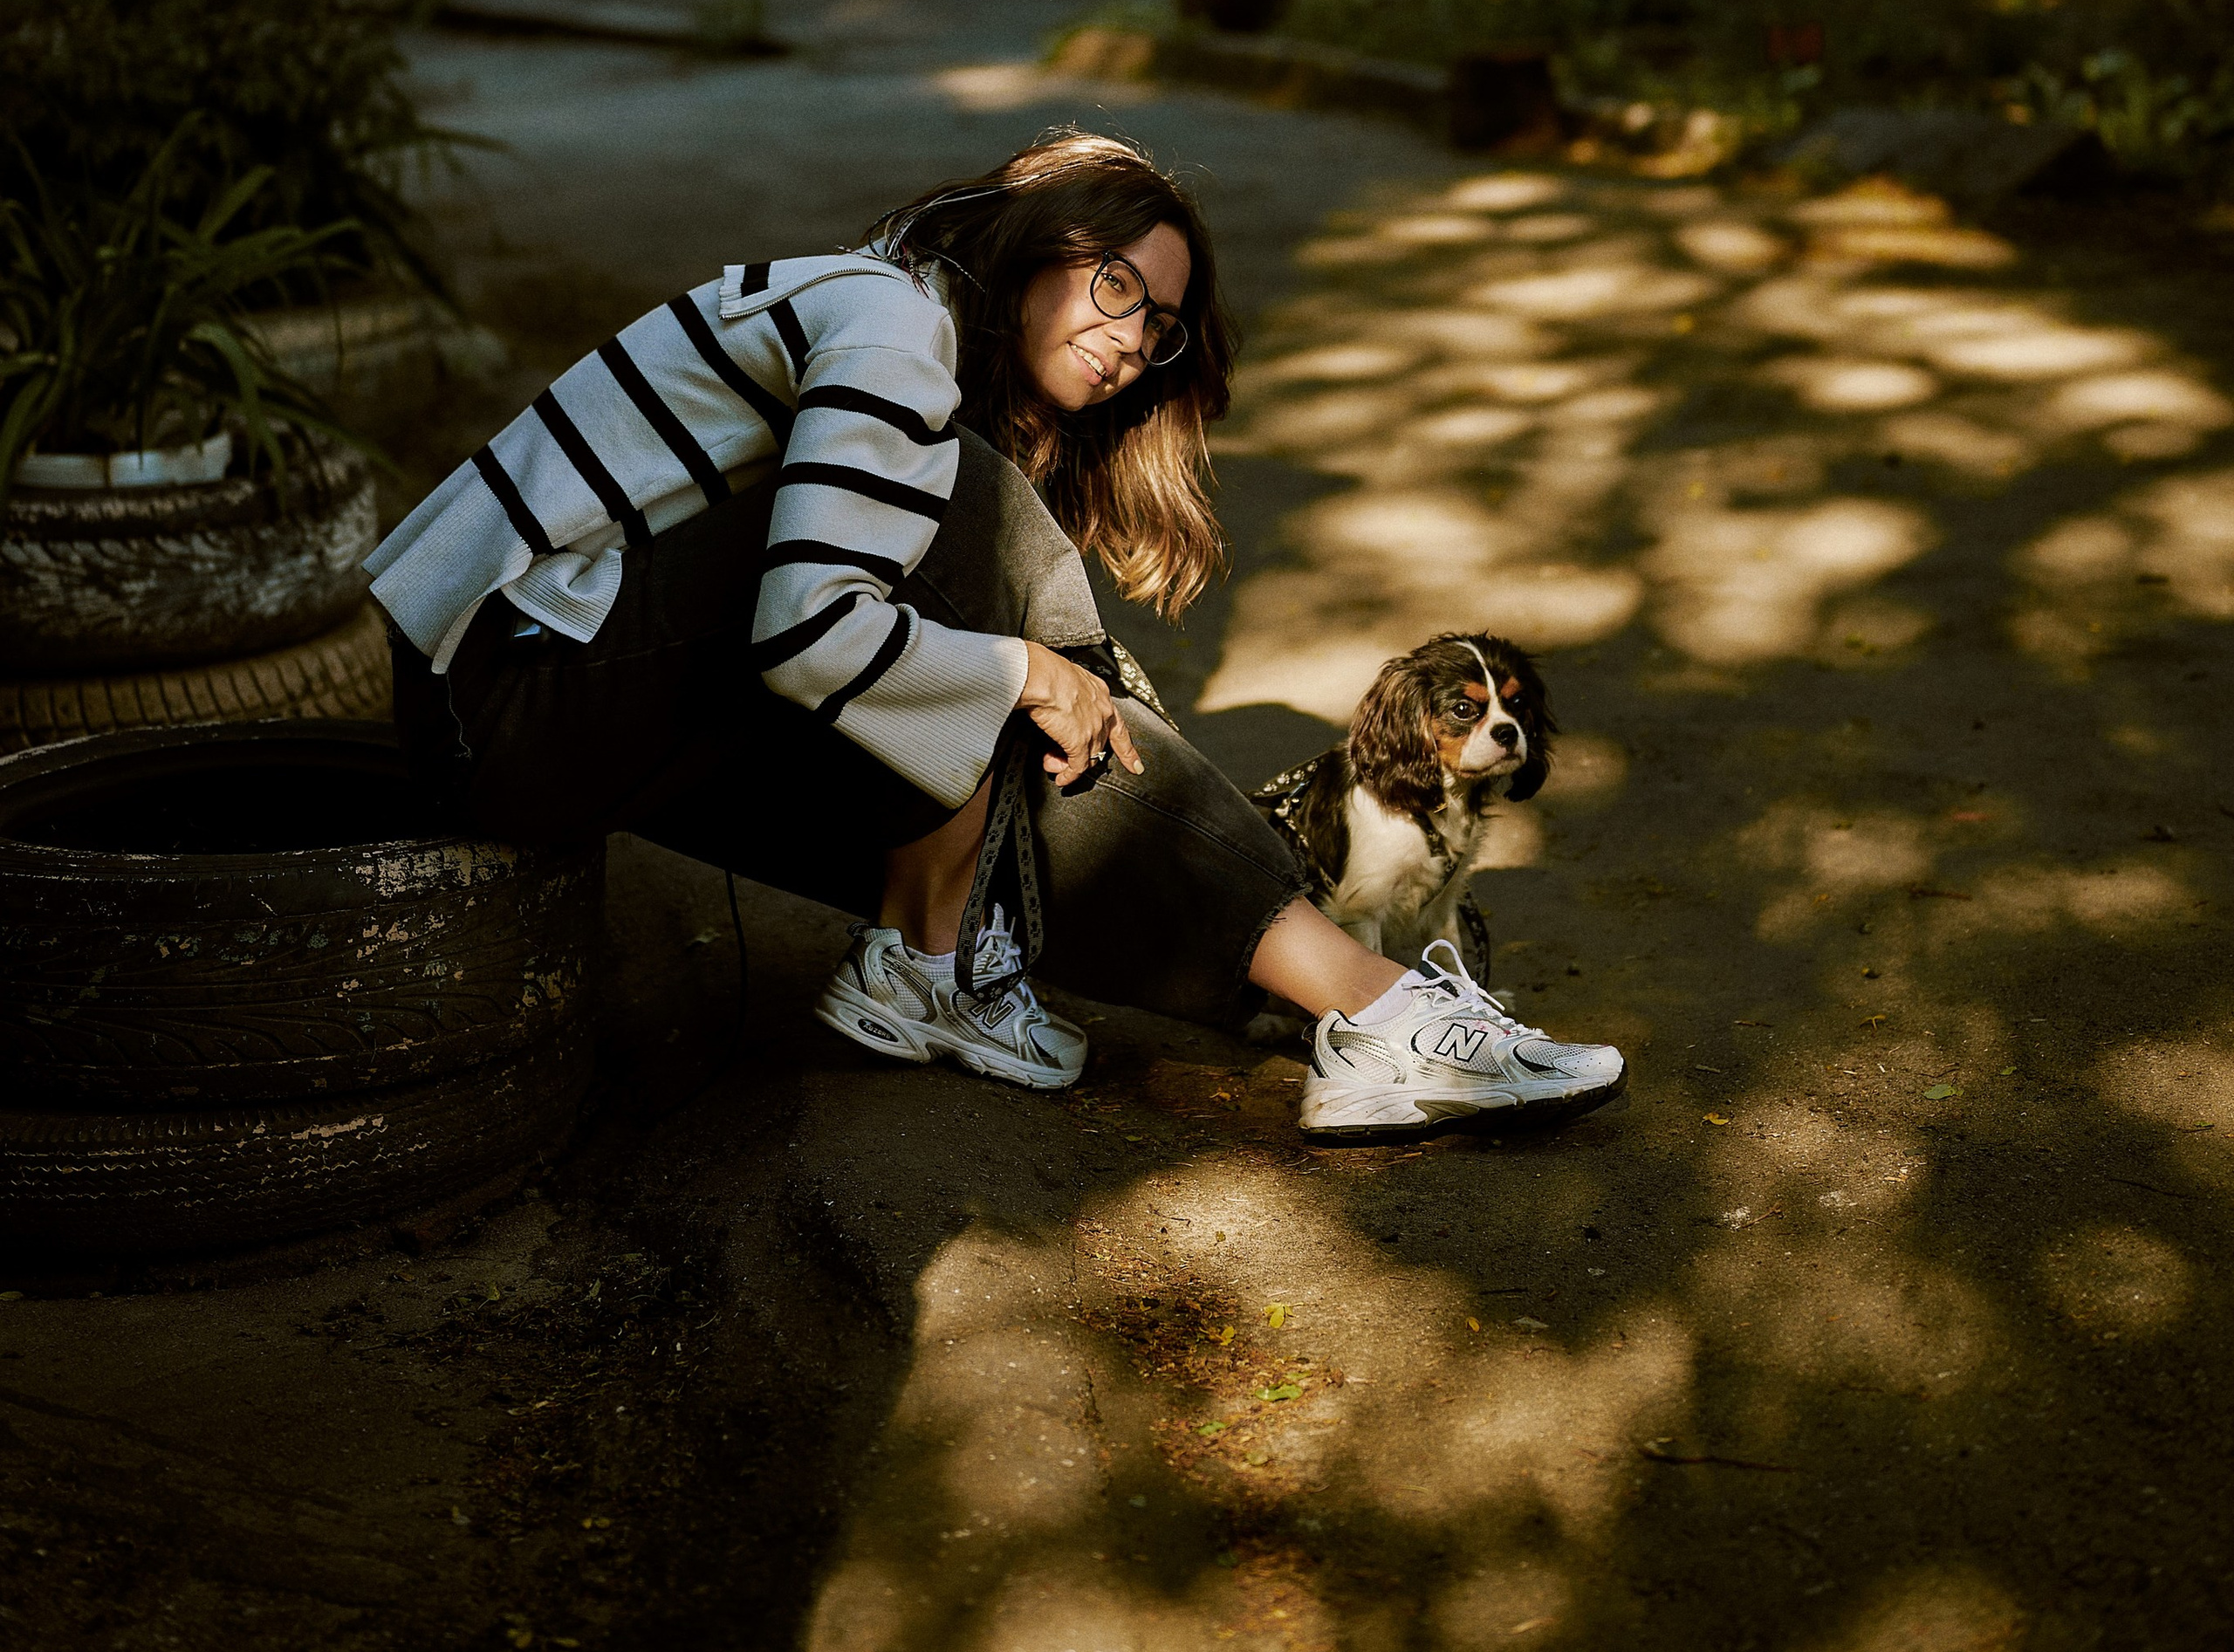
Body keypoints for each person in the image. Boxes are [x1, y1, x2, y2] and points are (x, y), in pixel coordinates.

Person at [371, 130, 1624, 1141]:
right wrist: (1033, 668)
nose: (1135, 339)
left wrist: (1053, 696)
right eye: (1117, 284)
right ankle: (1356, 1007)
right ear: (1038, 249)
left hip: (568, 703)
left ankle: (1332, 1014)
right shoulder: (892, 322)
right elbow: (811, 631)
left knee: (1027, 726)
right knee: (976, 535)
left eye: (1161, 324)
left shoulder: (907, 350)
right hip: (507, 686)